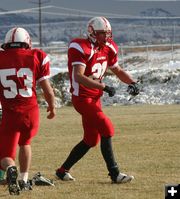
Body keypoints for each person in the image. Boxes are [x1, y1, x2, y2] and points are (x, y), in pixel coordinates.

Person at [55, 17, 139, 183]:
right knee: (107, 129)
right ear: (92, 33)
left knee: (91, 140)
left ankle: (62, 170)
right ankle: (115, 174)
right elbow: (79, 76)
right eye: (102, 34)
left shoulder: (109, 48)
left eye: (107, 34)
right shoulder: (80, 46)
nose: (105, 37)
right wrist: (104, 87)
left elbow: (118, 69)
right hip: (82, 98)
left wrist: (133, 82)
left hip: (95, 99)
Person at [0, 27, 56, 195]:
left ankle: (10, 168)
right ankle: (24, 180)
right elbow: (47, 90)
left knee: (4, 155)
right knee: (25, 143)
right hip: (31, 112)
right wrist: (52, 107)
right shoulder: (36, 56)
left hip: (10, 112)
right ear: (27, 42)